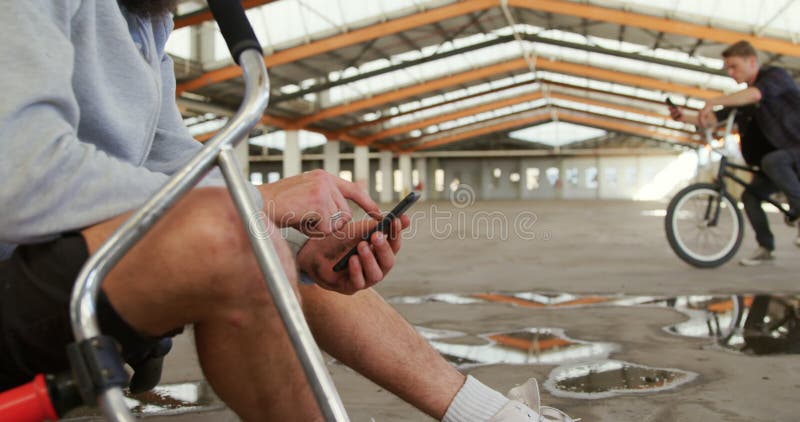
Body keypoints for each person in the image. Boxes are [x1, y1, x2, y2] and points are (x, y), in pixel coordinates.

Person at [0, 2, 575, 421]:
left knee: (266, 250)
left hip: (74, 276)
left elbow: (182, 174)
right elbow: (19, 179)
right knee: (235, 234)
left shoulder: (147, 26)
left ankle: (493, 418)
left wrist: (295, 249)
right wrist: (259, 206)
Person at [668, 40, 800, 266]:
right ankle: (766, 247)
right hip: (775, 164)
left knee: (772, 161)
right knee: (750, 196)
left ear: (752, 61)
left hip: (794, 150)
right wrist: (684, 117)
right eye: (727, 68)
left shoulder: (775, 77)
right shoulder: (742, 99)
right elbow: (714, 118)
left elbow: (756, 95)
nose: (730, 72)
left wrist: (713, 100)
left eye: (733, 66)